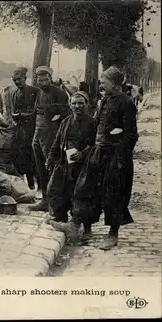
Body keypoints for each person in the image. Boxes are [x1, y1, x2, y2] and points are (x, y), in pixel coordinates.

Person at [51, 66, 138, 250]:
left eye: (104, 81)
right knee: (84, 187)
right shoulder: (104, 100)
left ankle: (112, 235)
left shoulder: (126, 103)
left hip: (116, 156)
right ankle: (74, 225)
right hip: (98, 153)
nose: (101, 84)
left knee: (113, 195)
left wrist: (120, 155)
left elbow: (131, 135)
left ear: (114, 83)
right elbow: (98, 127)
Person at [46, 91, 96, 241]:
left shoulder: (92, 123)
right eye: (74, 103)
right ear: (70, 105)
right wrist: (50, 158)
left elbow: (96, 145)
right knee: (55, 189)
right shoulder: (66, 122)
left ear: (86, 104)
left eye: (81, 103)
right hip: (65, 163)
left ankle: (87, 228)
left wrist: (83, 153)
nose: (77, 106)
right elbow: (57, 141)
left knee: (83, 195)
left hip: (84, 166)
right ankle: (62, 221)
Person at [28, 66, 71, 212]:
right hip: (38, 133)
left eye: (46, 79)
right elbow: (36, 112)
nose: (43, 82)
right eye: (40, 80)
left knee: (51, 165)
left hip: (51, 135)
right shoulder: (39, 93)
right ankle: (45, 200)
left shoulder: (58, 92)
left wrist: (55, 120)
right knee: (40, 166)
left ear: (50, 78)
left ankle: (55, 202)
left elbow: (66, 112)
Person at [0, 67, 40, 189]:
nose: (17, 82)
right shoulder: (15, 93)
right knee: (21, 156)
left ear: (25, 79)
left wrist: (22, 115)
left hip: (32, 129)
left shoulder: (35, 91)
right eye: (15, 80)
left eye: (19, 79)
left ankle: (37, 186)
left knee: (33, 157)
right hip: (20, 130)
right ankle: (27, 185)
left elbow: (37, 111)